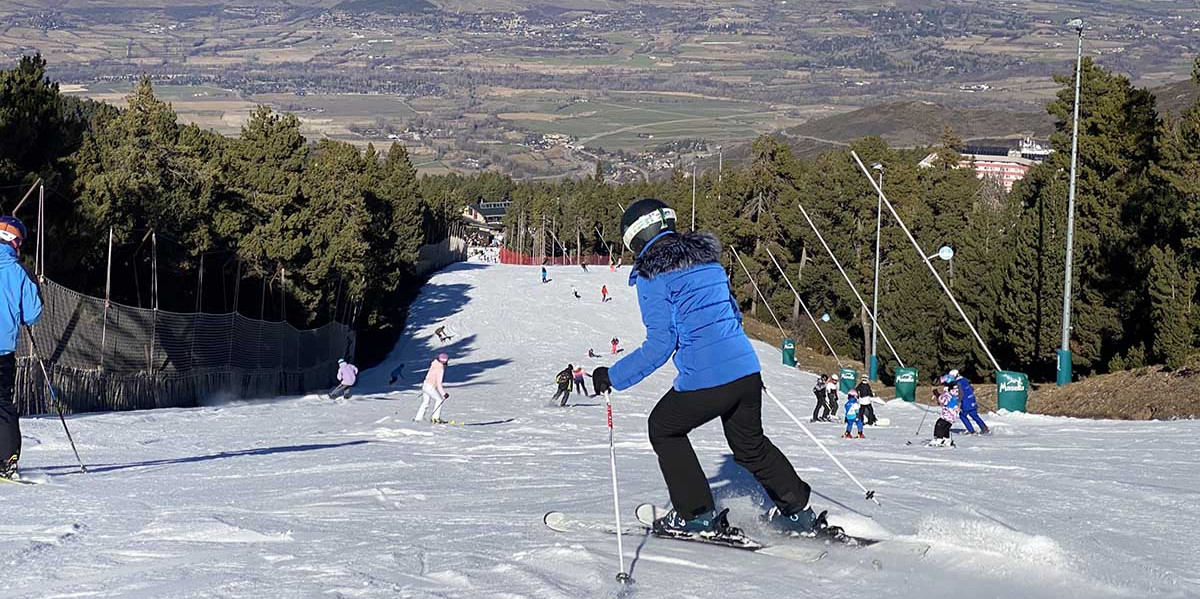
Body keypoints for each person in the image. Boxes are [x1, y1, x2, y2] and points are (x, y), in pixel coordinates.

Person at [590, 198, 827, 539]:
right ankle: (798, 512)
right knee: (749, 445)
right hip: (746, 371)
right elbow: (733, 313)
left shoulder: (653, 275)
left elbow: (660, 344)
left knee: (664, 427)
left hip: (707, 377)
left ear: (637, 239)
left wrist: (611, 377)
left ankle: (697, 515)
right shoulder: (708, 263)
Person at [0, 217, 42, 480]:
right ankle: (6, 461)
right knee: (2, 404)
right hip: (2, 350)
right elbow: (33, 314)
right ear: (15, 242)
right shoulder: (19, 272)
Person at [948, 369, 989, 434]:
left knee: (962, 416)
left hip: (966, 402)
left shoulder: (958, 383)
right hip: (972, 400)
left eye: (951, 377)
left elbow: (961, 394)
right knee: (974, 415)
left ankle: (971, 431)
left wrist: (958, 402)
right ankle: (984, 428)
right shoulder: (964, 380)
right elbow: (971, 388)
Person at [413, 353, 450, 423]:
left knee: (425, 402)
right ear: (444, 361)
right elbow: (439, 383)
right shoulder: (440, 368)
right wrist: (444, 394)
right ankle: (435, 418)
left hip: (425, 385)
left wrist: (426, 387)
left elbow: (428, 376)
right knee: (439, 400)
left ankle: (418, 418)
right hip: (430, 387)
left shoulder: (434, 364)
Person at [930, 376, 957, 447]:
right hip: (952, 415)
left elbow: (942, 400)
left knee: (939, 425)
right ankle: (946, 439)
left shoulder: (948, 394)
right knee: (946, 428)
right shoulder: (955, 393)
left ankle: (939, 439)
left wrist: (936, 392)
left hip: (947, 415)